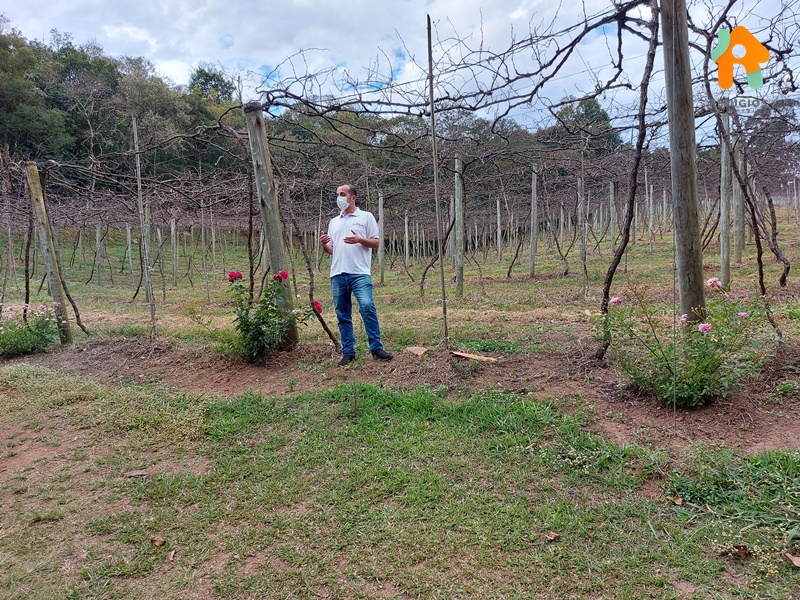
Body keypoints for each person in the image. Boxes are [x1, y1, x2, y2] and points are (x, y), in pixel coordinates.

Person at [319, 184, 393, 366]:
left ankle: (376, 348)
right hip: (337, 273)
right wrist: (324, 244)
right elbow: (332, 250)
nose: (339, 198)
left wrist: (360, 239)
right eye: (337, 195)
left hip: (359, 272)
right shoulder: (333, 222)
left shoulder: (365, 217)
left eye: (342, 194)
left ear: (353, 197)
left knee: (367, 307)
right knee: (342, 314)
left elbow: (376, 243)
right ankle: (348, 352)